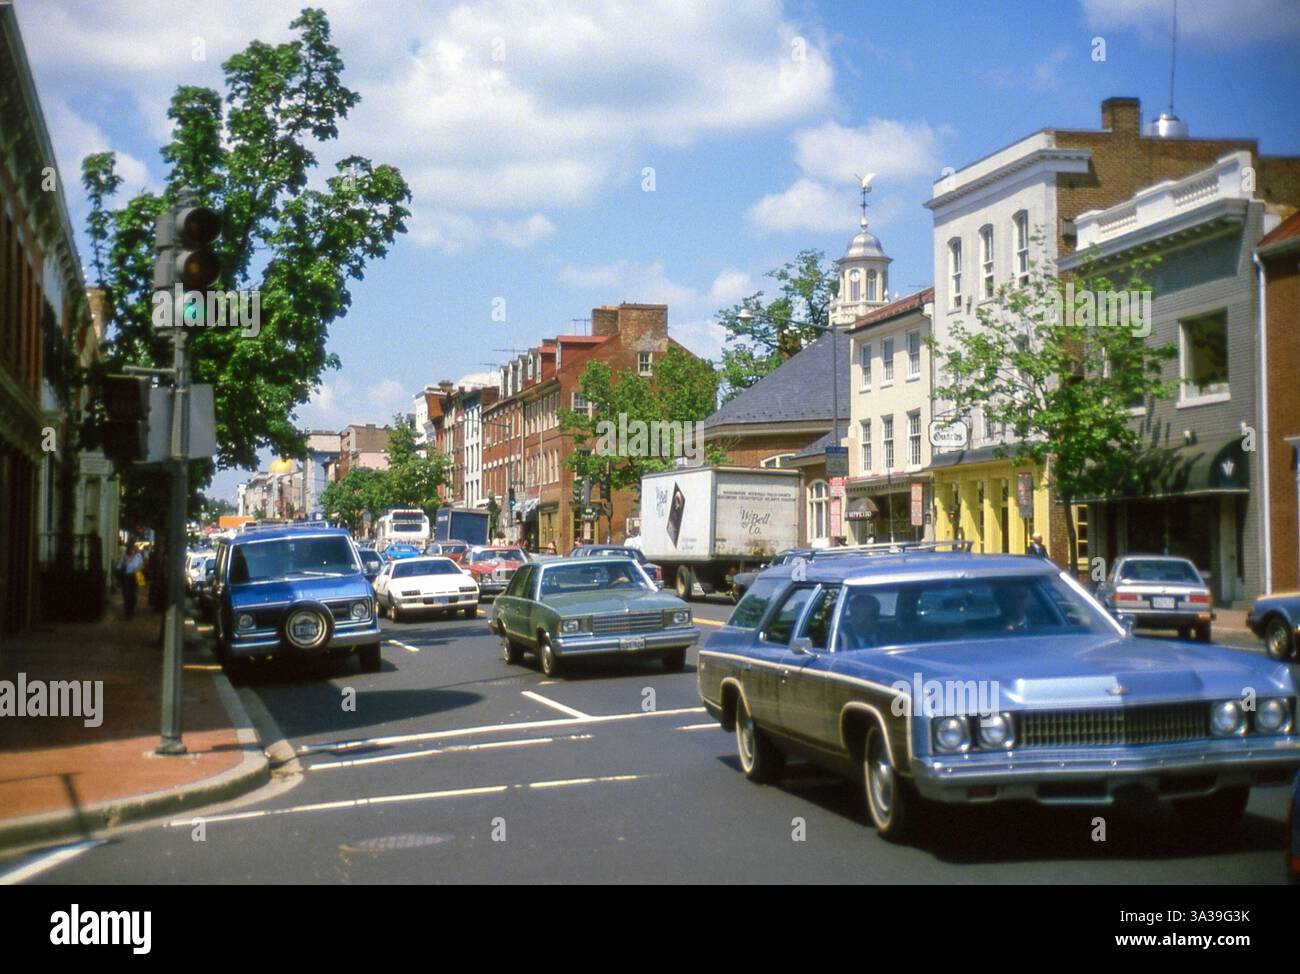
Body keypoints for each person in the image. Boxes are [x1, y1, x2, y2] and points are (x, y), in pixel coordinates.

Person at [117, 542, 144, 620]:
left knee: (134, 595)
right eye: (130, 549)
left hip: (135, 576)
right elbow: (119, 568)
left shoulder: (138, 556)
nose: (132, 551)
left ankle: (132, 610)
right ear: (128, 550)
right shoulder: (124, 557)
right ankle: (127, 612)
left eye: (133, 549)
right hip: (127, 577)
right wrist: (124, 566)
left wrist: (138, 568)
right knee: (126, 594)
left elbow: (141, 566)